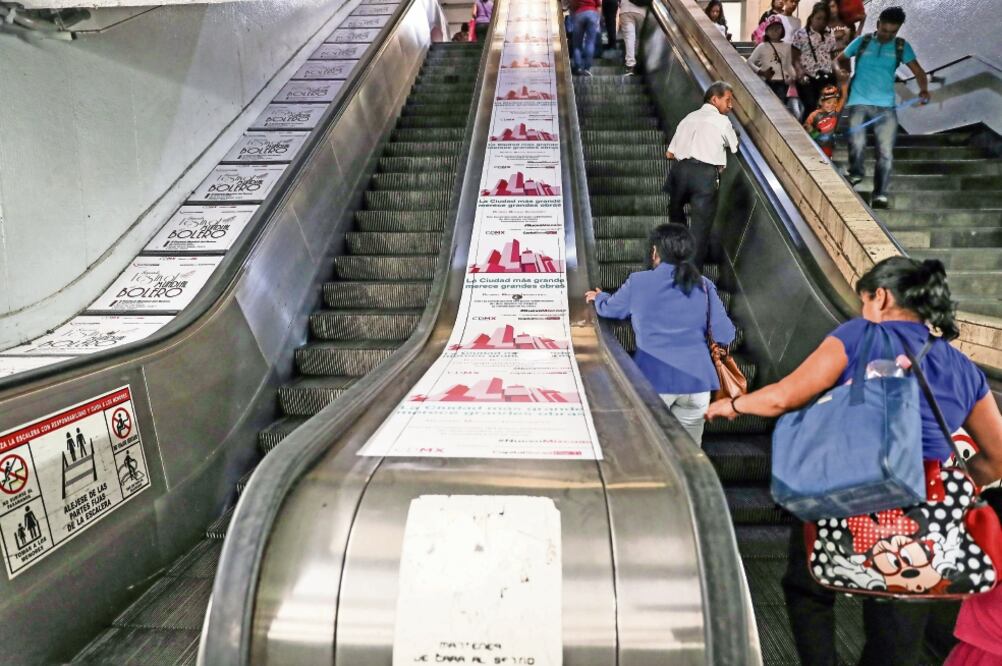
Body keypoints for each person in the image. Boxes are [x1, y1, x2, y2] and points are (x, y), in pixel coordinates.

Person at [706, 256, 1002, 666]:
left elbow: (783, 397)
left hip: (842, 488)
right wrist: (948, 489)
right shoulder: (962, 366)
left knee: (809, 588)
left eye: (863, 300)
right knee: (899, 620)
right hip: (923, 513)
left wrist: (733, 405)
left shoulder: (860, 334)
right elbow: (997, 457)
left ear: (880, 297)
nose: (863, 310)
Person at [586, 224, 735, 445]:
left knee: (650, 445)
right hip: (697, 383)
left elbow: (610, 309)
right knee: (689, 449)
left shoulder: (639, 282)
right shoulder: (704, 285)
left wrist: (599, 298)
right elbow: (725, 333)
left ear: (655, 251)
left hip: (655, 380)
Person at [837, 6, 930, 209]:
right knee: (857, 142)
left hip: (886, 107)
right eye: (884, 30)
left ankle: (880, 194)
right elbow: (839, 60)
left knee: (885, 152)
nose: (887, 35)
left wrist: (923, 89)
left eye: (892, 32)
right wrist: (840, 74)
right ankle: (856, 173)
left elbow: (918, 71)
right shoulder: (862, 42)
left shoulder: (901, 46)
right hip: (858, 101)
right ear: (878, 24)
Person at [663, 81, 739, 269]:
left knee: (675, 213)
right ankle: (690, 273)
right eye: (727, 100)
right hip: (705, 176)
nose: (730, 106)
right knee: (700, 227)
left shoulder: (688, 118)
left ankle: (677, 253)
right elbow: (734, 146)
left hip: (680, 171)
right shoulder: (722, 121)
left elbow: (669, 154)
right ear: (714, 99)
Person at [792, 2, 838, 118]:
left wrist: (837, 71)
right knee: (810, 106)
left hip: (825, 77)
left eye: (824, 19)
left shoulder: (830, 34)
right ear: (812, 17)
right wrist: (799, 71)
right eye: (818, 18)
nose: (821, 22)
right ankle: (805, 127)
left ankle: (821, 129)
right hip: (807, 77)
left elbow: (833, 55)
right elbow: (794, 56)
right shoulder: (801, 34)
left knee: (826, 108)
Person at [748, 16, 796, 105]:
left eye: (778, 28)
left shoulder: (787, 46)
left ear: (782, 30)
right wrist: (760, 71)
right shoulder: (762, 46)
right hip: (767, 81)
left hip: (782, 83)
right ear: (766, 31)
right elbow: (750, 61)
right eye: (772, 28)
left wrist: (792, 76)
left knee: (780, 105)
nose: (775, 31)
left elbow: (788, 65)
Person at [803, 85, 841, 157]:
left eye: (835, 103)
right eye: (828, 102)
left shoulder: (836, 114)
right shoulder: (814, 115)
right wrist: (813, 131)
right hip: (816, 147)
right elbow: (806, 128)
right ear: (821, 102)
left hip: (830, 148)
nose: (832, 105)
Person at [571, 0, 602, 76]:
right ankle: (587, 68)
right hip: (592, 13)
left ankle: (578, 67)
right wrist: (598, 18)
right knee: (590, 43)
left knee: (577, 44)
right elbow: (599, 4)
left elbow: (573, 4)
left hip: (579, 14)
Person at [619, 0, 646, 75]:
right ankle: (640, 62)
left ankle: (630, 65)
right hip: (641, 10)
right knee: (640, 37)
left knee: (629, 38)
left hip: (626, 9)